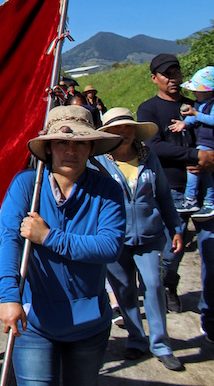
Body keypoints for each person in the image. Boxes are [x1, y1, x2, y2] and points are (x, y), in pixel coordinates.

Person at [0, 105, 125, 386]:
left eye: (80, 143)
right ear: (49, 147)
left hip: (90, 325)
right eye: (62, 143)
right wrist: (9, 297)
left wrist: (48, 237)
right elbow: (9, 242)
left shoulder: (108, 190)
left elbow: (110, 246)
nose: (71, 151)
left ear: (91, 147)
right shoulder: (26, 186)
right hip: (35, 322)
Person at [95, 108, 184, 371]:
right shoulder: (97, 163)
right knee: (124, 292)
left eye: (128, 127)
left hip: (150, 236)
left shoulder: (149, 157)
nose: (124, 132)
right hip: (114, 239)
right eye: (117, 129)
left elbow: (164, 195)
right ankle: (136, 339)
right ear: (108, 134)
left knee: (154, 286)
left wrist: (175, 228)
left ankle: (161, 345)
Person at [137, 53, 214, 314]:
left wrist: (209, 161)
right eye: (166, 74)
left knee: (210, 251)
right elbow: (154, 146)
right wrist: (195, 156)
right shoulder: (148, 109)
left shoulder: (197, 105)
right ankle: (168, 283)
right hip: (171, 189)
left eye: (176, 72)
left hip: (205, 189)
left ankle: (209, 312)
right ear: (154, 78)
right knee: (172, 251)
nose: (173, 78)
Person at [170, 66, 214, 217]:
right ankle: (207, 202)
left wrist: (196, 113)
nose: (194, 93)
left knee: (195, 169)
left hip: (209, 143)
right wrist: (184, 123)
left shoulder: (211, 105)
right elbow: (192, 118)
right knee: (203, 173)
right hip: (202, 143)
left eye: (197, 90)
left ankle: (191, 199)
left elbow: (211, 119)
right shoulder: (198, 104)